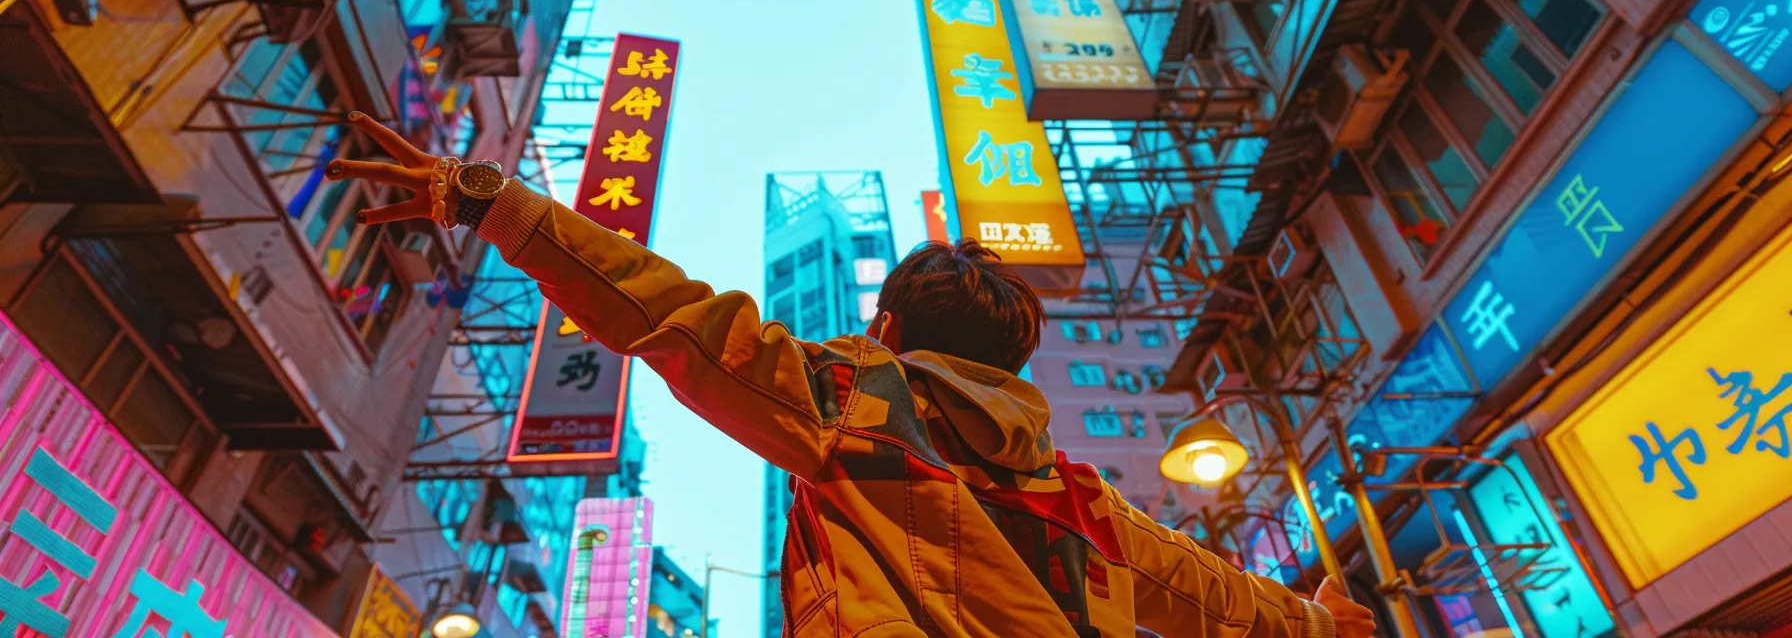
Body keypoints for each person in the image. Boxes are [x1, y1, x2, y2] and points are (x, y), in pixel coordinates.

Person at [328, 113, 1378, 638]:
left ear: (881, 327)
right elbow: (1228, 603)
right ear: (1014, 363)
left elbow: (669, 312)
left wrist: (486, 199)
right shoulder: (1083, 499)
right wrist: (1328, 622)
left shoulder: (854, 404)